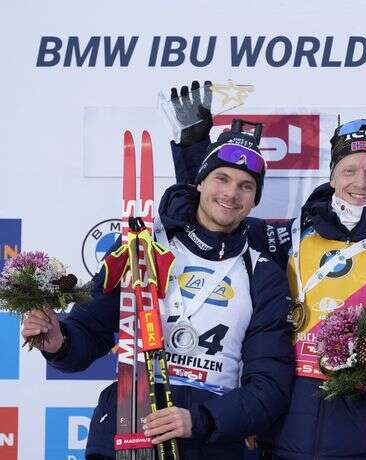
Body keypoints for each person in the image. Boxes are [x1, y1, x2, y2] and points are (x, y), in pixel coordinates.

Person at [173, 114, 366, 458]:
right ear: (333, 175)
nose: (361, 182)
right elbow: (216, 217)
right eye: (350, 170)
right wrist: (195, 153)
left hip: (365, 433)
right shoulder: (287, 237)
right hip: (281, 430)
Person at [21, 121, 295, 459]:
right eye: (221, 179)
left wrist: (201, 420)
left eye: (246, 186)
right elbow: (89, 330)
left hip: (209, 442)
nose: (231, 194)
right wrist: (60, 342)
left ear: (255, 201)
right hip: (126, 427)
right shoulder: (141, 247)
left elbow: (269, 388)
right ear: (200, 182)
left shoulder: (262, 274)